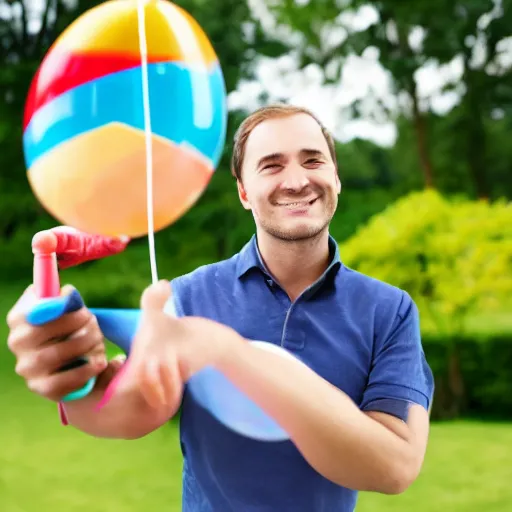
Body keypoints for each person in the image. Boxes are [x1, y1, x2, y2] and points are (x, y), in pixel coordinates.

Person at [6, 104, 434, 512]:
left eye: (313, 160)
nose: (297, 180)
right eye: (272, 165)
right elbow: (131, 410)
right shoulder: (189, 295)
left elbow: (394, 465)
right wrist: (71, 372)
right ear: (244, 193)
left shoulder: (389, 309)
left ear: (336, 179)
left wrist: (226, 353)